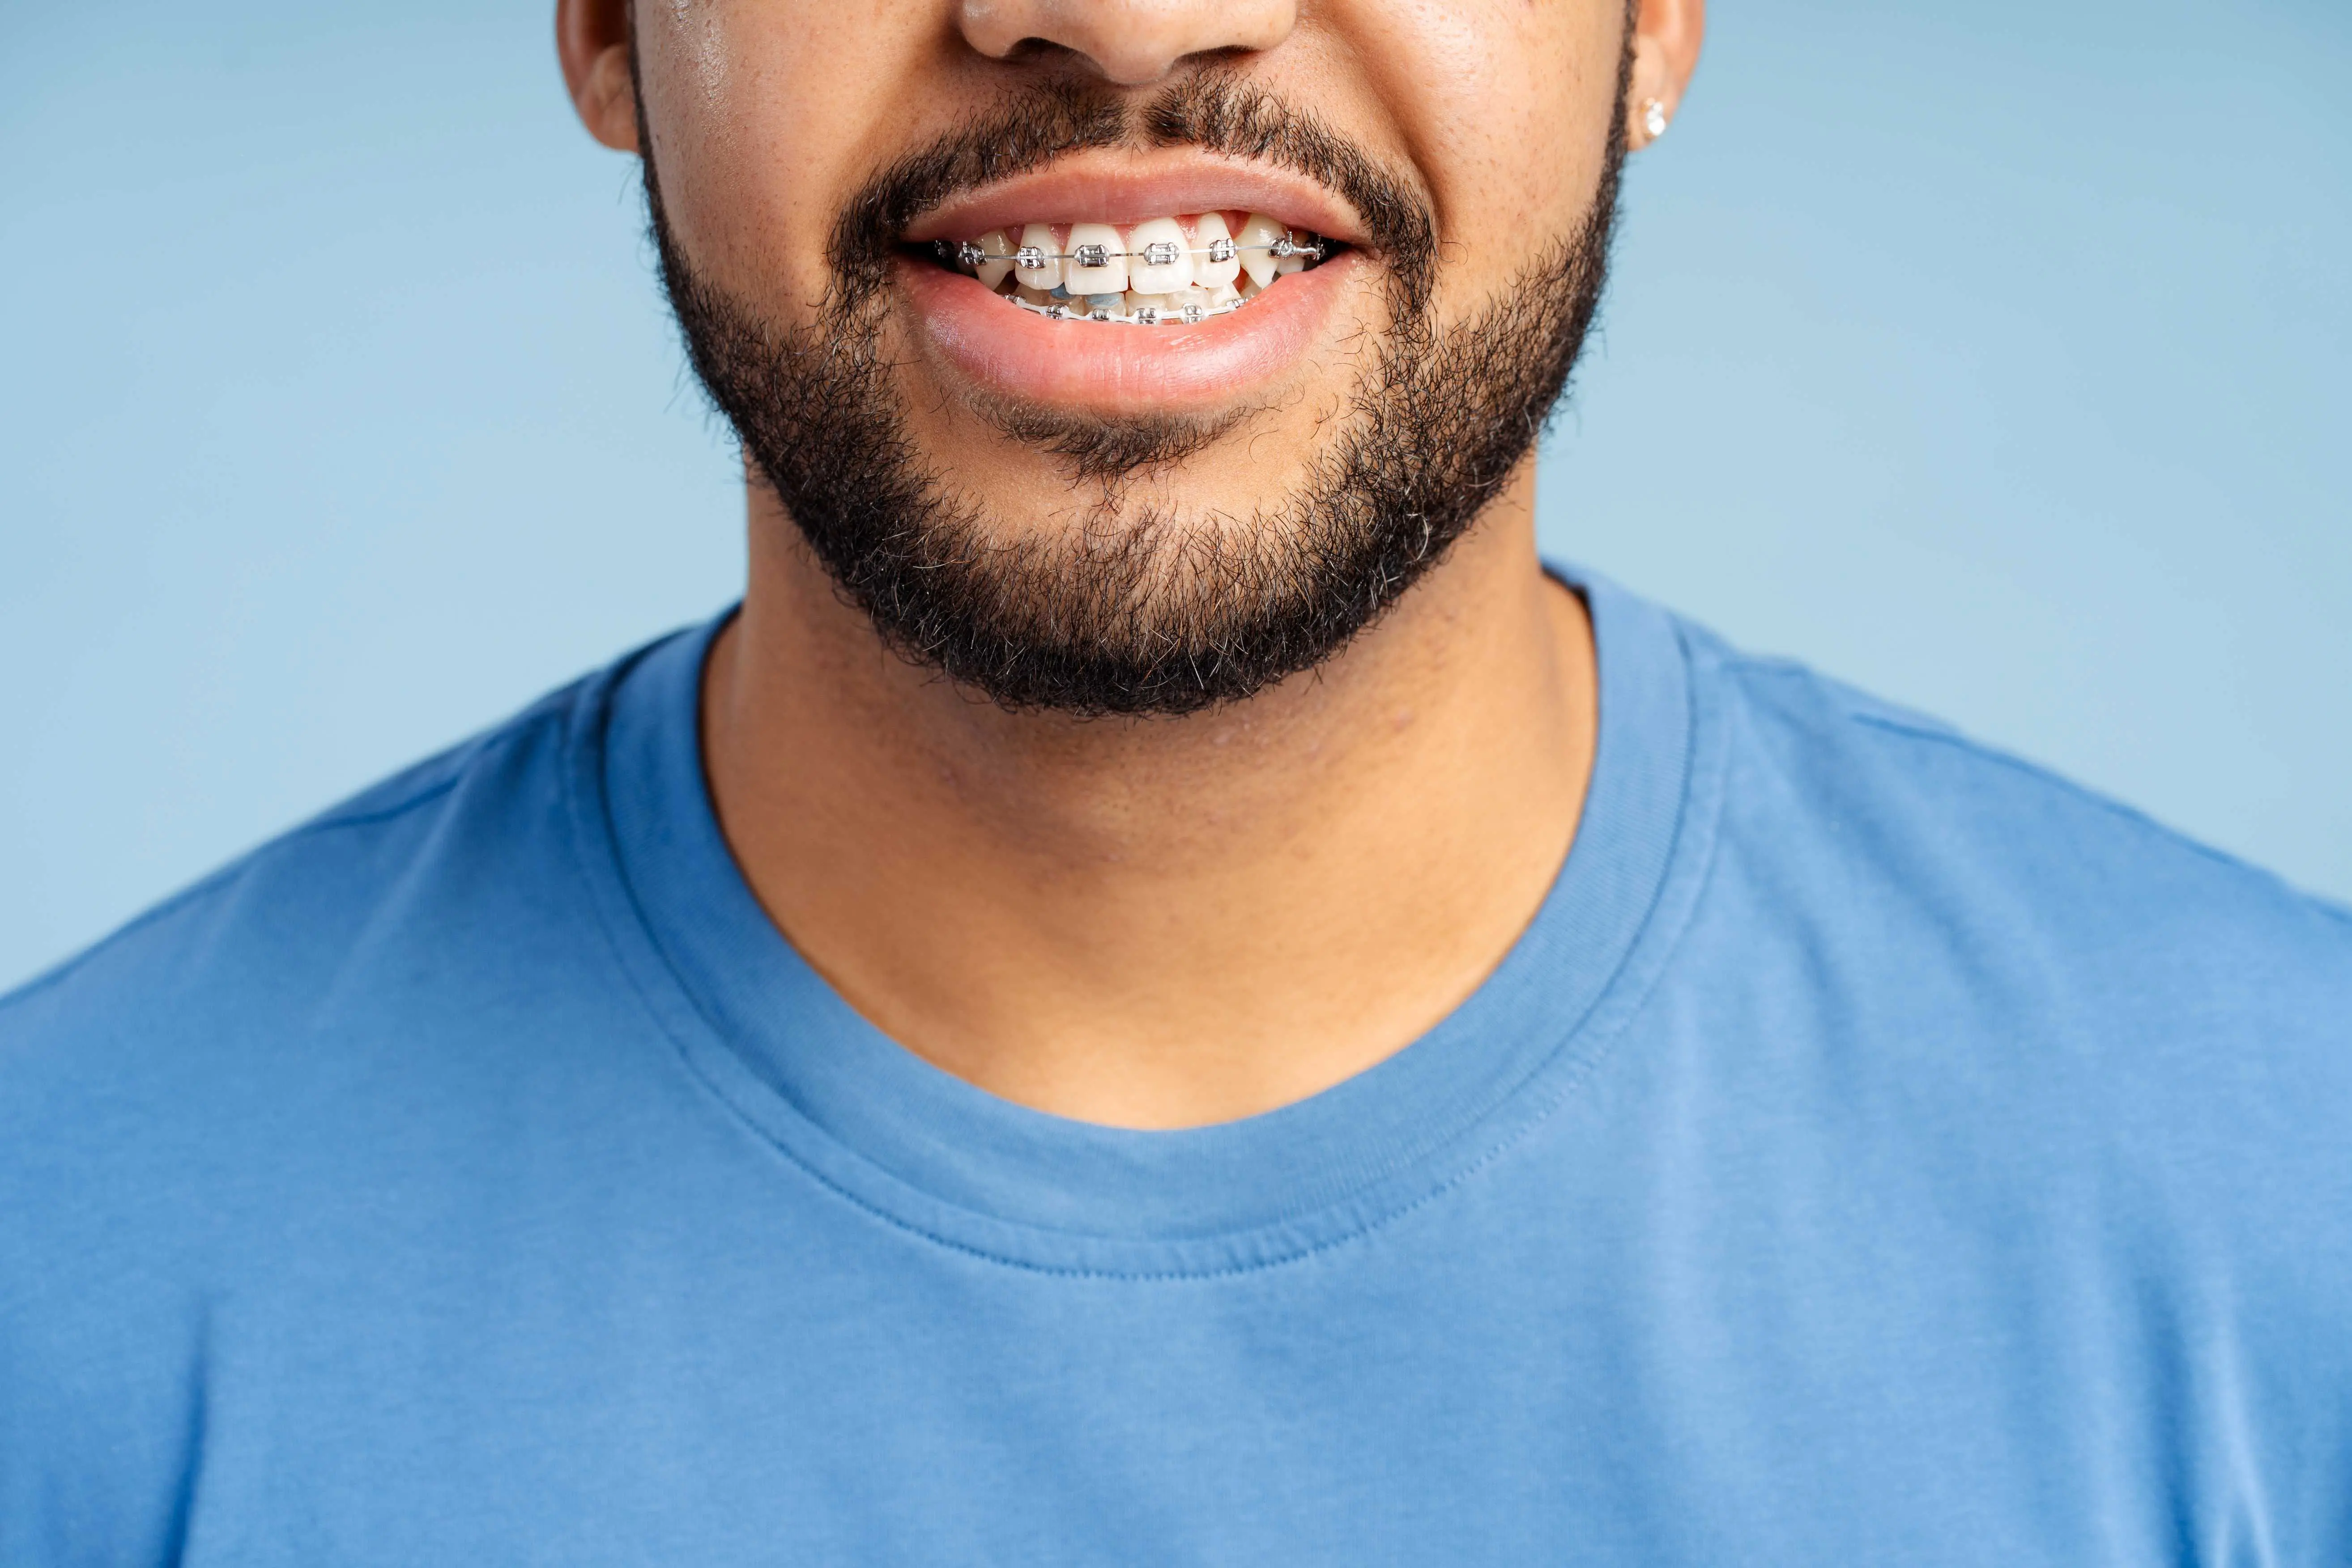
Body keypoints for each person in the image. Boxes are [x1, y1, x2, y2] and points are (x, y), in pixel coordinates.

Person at [4, 0, 2348, 1559]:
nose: (1121, 10)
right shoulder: (62, 1296)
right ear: (610, 21)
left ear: (1656, 14)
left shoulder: (2287, 1214)